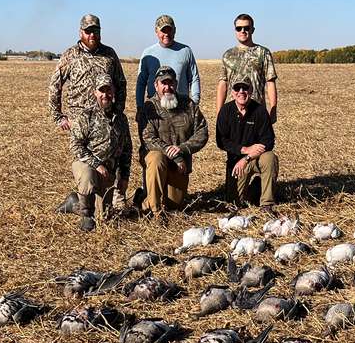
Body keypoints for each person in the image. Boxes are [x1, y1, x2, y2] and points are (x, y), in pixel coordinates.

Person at [138, 65, 208, 217]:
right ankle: (155, 211)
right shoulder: (149, 107)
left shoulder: (188, 104)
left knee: (175, 204)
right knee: (156, 158)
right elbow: (148, 138)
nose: (167, 87)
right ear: (156, 85)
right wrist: (175, 155)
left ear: (176, 84)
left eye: (171, 83)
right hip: (159, 161)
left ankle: (144, 199)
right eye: (163, 83)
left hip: (179, 166)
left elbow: (202, 132)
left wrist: (183, 148)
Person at [68, 75, 132, 232]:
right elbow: (75, 145)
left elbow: (126, 150)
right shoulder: (86, 116)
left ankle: (73, 203)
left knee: (104, 216)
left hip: (108, 174)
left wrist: (124, 177)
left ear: (114, 92)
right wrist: (97, 164)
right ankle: (86, 216)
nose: (105, 94)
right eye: (101, 91)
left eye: (108, 90)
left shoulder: (121, 119)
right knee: (87, 173)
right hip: (87, 165)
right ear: (95, 93)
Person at [48, 13, 128, 131]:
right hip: (78, 121)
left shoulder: (109, 54)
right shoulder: (70, 55)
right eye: (88, 31)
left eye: (95, 31)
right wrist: (58, 117)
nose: (92, 35)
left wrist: (117, 110)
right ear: (80, 32)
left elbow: (121, 83)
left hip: (105, 121)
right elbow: (55, 85)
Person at [215, 79, 278, 208]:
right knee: (234, 203)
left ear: (251, 91)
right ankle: (257, 186)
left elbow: (268, 141)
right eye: (237, 88)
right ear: (232, 93)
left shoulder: (260, 111)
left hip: (256, 157)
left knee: (270, 158)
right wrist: (244, 150)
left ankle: (267, 203)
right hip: (236, 162)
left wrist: (248, 157)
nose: (241, 92)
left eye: (245, 88)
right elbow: (221, 141)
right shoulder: (225, 111)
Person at [216, 13, 278, 123]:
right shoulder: (228, 55)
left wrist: (273, 110)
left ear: (252, 30)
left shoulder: (263, 53)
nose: (242, 31)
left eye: (246, 28)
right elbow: (223, 85)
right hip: (233, 113)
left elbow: (270, 83)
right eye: (239, 28)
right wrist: (219, 114)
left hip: (257, 112)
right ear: (235, 30)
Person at [135, 14, 201, 111]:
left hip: (181, 109)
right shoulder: (148, 53)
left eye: (169, 30)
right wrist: (140, 106)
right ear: (156, 31)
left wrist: (194, 102)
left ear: (175, 30)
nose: (166, 34)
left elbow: (194, 78)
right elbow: (141, 83)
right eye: (163, 31)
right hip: (155, 110)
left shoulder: (186, 51)